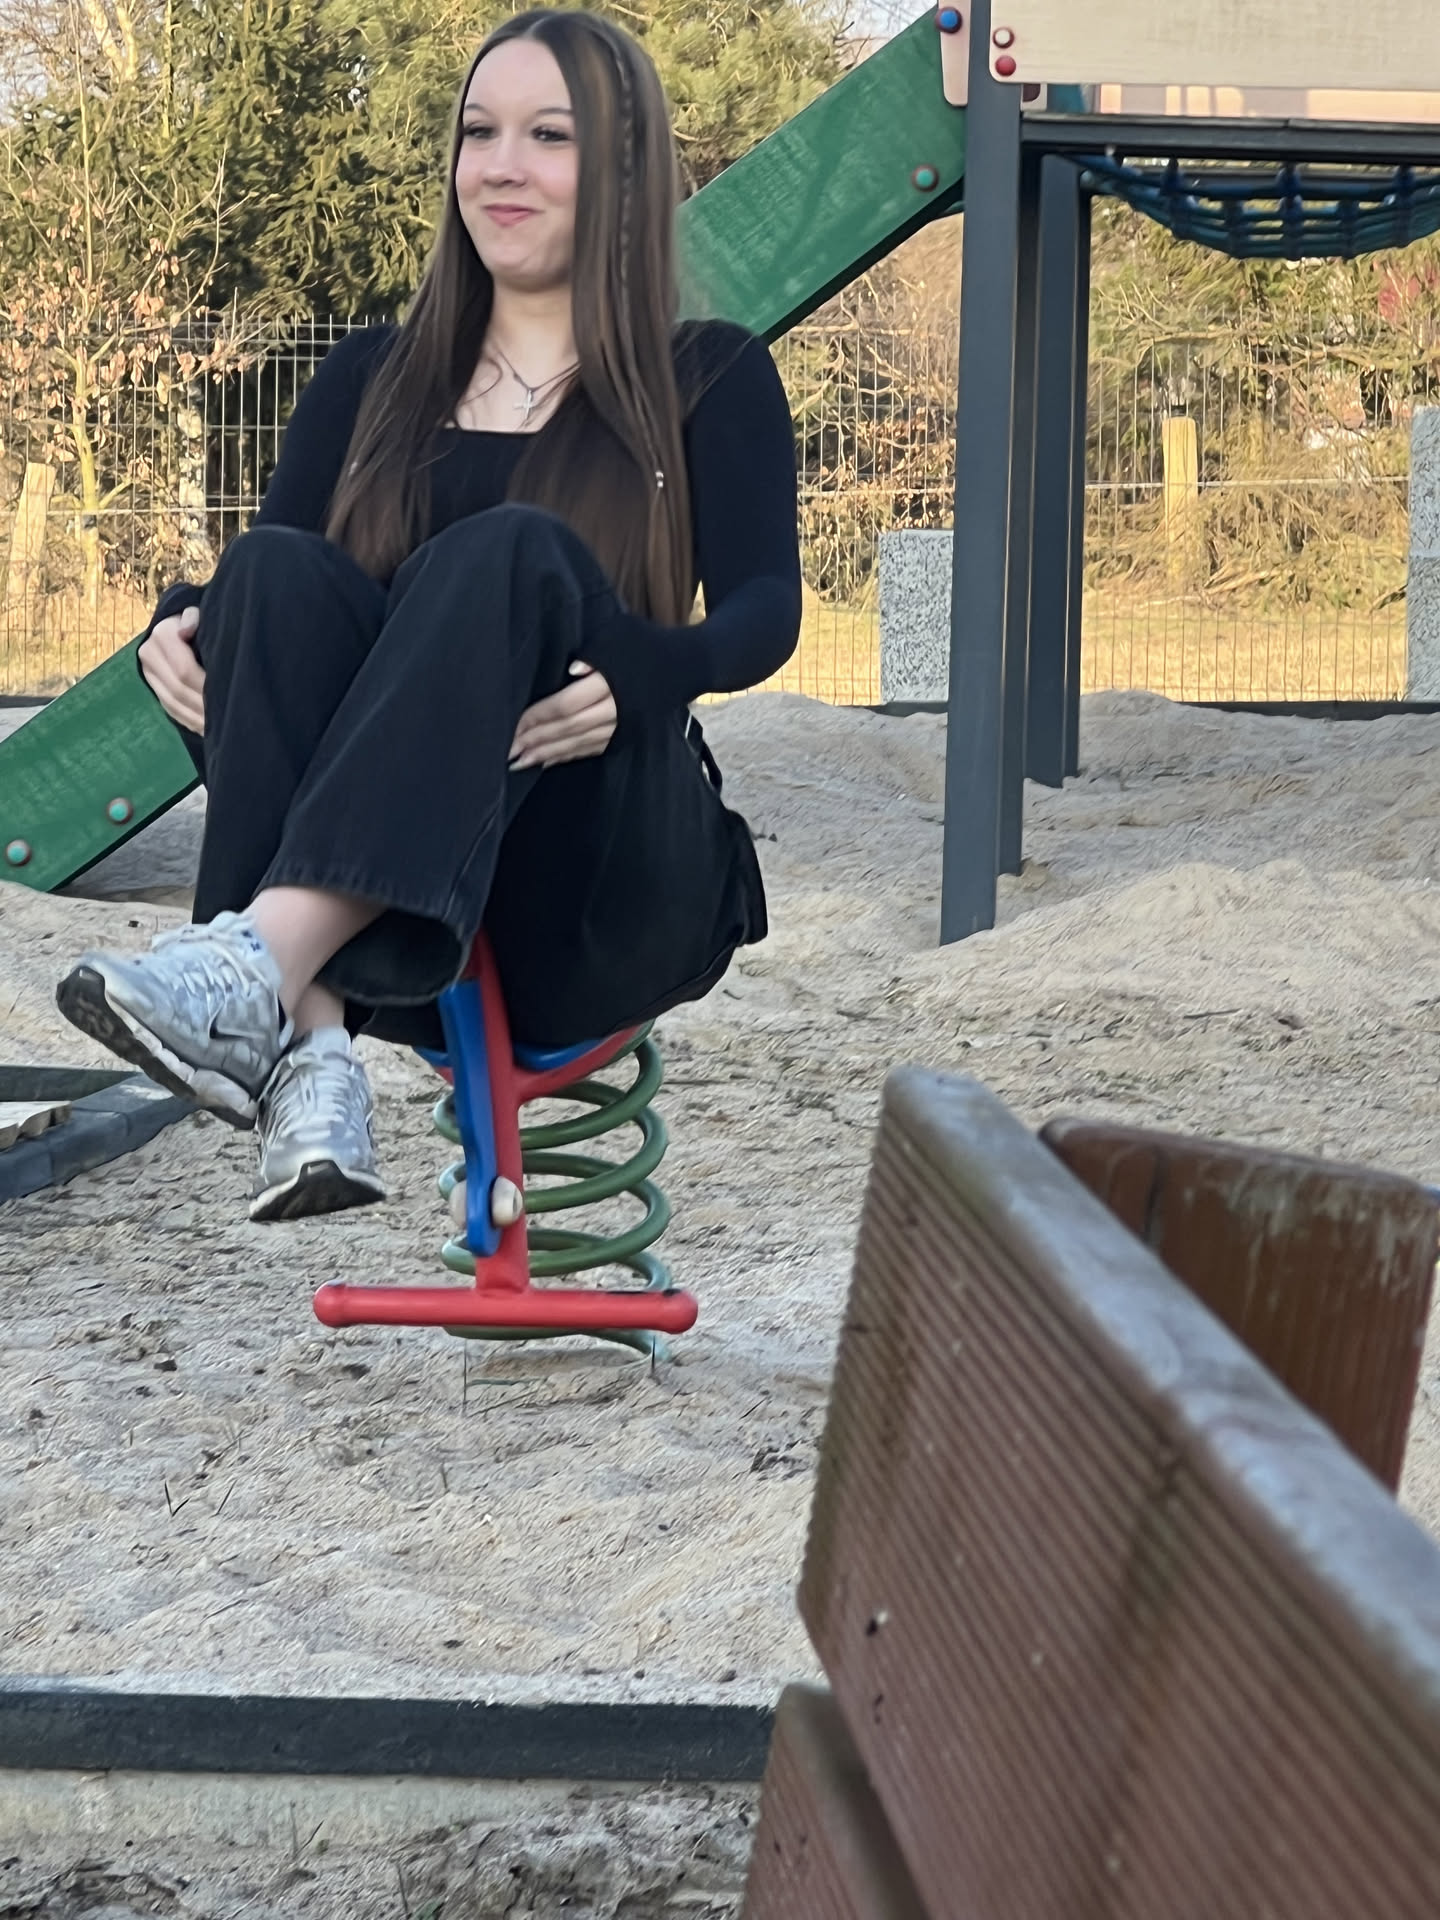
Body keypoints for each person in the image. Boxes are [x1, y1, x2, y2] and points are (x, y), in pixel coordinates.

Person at [55, 7, 800, 1225]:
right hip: (408, 912)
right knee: (270, 572)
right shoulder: (373, 377)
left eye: (549, 136)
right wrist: (182, 626)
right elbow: (278, 594)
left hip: (597, 874)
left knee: (504, 551)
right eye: (479, 133)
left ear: (624, 172)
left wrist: (645, 671)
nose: (501, 166)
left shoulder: (706, 376)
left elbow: (767, 614)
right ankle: (315, 1053)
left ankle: (255, 968)